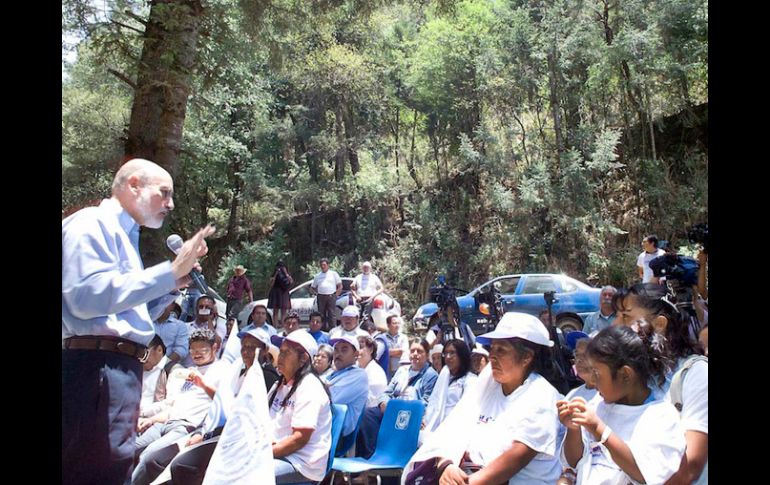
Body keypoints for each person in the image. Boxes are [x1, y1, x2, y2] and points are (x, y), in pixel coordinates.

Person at [62, 158, 215, 485]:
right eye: (164, 193)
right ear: (133, 185)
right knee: (92, 470)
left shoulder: (124, 236)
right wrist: (168, 273)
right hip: (97, 367)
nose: (171, 204)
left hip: (115, 368)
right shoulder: (91, 223)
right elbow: (85, 296)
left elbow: (123, 312)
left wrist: (173, 284)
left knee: (112, 468)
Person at [402, 312, 566, 485]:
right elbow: (454, 430)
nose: (492, 356)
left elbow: (513, 461)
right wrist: (446, 465)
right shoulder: (489, 387)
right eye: (492, 349)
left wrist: (465, 483)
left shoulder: (541, 397)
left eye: (501, 350)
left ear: (526, 357)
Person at [557, 325, 686, 484]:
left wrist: (600, 430)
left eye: (597, 373)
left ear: (625, 374)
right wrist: (573, 429)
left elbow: (646, 475)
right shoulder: (598, 406)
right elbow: (574, 462)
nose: (592, 380)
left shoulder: (661, 417)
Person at [612, 283, 709, 484]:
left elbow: (689, 469)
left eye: (625, 316)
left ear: (659, 324)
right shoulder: (636, 375)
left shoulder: (695, 374)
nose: (615, 325)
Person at [132, 329, 229, 484]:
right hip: (165, 422)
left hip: (186, 427)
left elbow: (225, 402)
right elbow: (176, 403)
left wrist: (203, 384)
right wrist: (151, 419)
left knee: (148, 456)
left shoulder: (224, 369)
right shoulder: (190, 371)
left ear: (215, 348)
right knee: (129, 447)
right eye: (193, 350)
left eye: (202, 350)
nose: (196, 354)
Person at [268, 330, 333, 483]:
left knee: (249, 475)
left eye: (286, 353)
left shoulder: (309, 386)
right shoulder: (279, 385)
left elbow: (299, 439)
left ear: (303, 359)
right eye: (280, 352)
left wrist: (263, 453)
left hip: (301, 464)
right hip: (279, 453)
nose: (280, 357)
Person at [356, 338, 438, 459]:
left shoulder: (430, 375)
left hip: (409, 413)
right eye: (412, 351)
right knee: (367, 415)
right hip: (391, 410)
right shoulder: (402, 371)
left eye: (419, 351)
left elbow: (426, 401)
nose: (415, 354)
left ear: (426, 355)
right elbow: (386, 392)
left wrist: (411, 413)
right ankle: (369, 457)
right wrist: (383, 403)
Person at [420, 340, 476, 444]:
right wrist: (425, 419)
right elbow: (434, 402)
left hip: (455, 432)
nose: (448, 357)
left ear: (462, 355)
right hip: (435, 427)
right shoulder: (444, 375)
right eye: (445, 353)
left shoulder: (470, 380)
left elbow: (467, 412)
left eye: (452, 353)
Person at [326, 335, 370, 438]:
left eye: (344, 350)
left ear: (356, 354)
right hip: (322, 428)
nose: (338, 354)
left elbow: (329, 399)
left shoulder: (359, 375)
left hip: (336, 436)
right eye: (336, 350)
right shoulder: (331, 374)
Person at [181, 295, 225, 366]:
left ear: (213, 310)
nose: (204, 309)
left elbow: (217, 344)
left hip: (208, 369)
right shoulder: (185, 327)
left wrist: (210, 320)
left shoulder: (220, 327)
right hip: (187, 367)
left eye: (207, 307)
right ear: (196, 309)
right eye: (201, 307)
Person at [139, 335, 170, 419]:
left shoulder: (172, 370)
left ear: (159, 350)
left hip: (154, 422)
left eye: (143, 353)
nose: (139, 357)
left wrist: (141, 412)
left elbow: (172, 403)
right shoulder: (136, 366)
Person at [310, 258, 342, 330]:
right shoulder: (317, 276)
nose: (323, 266)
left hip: (331, 296)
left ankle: (333, 330)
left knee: (331, 314)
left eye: (324, 265)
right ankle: (322, 329)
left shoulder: (333, 274)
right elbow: (312, 287)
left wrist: (336, 295)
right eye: (321, 265)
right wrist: (316, 294)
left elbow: (340, 286)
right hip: (321, 297)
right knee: (321, 314)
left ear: (328, 265)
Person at [154, 301, 190, 366]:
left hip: (168, 366)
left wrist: (163, 364)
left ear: (172, 306)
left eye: (166, 302)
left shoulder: (180, 326)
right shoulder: (146, 323)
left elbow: (181, 350)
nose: (162, 305)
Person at [358, 335, 388, 408]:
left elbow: (371, 403)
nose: (357, 351)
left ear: (371, 350)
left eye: (360, 347)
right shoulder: (355, 368)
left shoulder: (376, 373)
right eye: (355, 348)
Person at [267, 261, 294, 329]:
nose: (281, 269)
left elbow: (291, 282)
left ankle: (283, 326)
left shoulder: (287, 274)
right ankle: (275, 327)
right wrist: (276, 274)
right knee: (275, 311)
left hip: (284, 292)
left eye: (282, 267)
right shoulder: (274, 274)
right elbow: (271, 284)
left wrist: (286, 273)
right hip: (276, 292)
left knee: (284, 311)